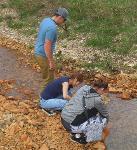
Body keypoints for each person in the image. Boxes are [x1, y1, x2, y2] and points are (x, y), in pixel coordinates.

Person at [61, 80, 109, 144]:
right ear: (102, 89)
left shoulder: (84, 87)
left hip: (63, 117)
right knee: (103, 120)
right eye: (104, 91)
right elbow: (105, 114)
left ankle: (77, 135)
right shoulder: (97, 100)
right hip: (70, 125)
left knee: (91, 112)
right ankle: (87, 139)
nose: (103, 93)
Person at [34, 8, 69, 87]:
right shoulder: (52, 28)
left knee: (46, 76)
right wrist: (51, 61)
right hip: (43, 55)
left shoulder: (45, 20)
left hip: (37, 51)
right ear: (60, 17)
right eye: (64, 20)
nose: (63, 22)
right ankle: (43, 99)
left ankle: (44, 96)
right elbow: (47, 45)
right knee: (48, 81)